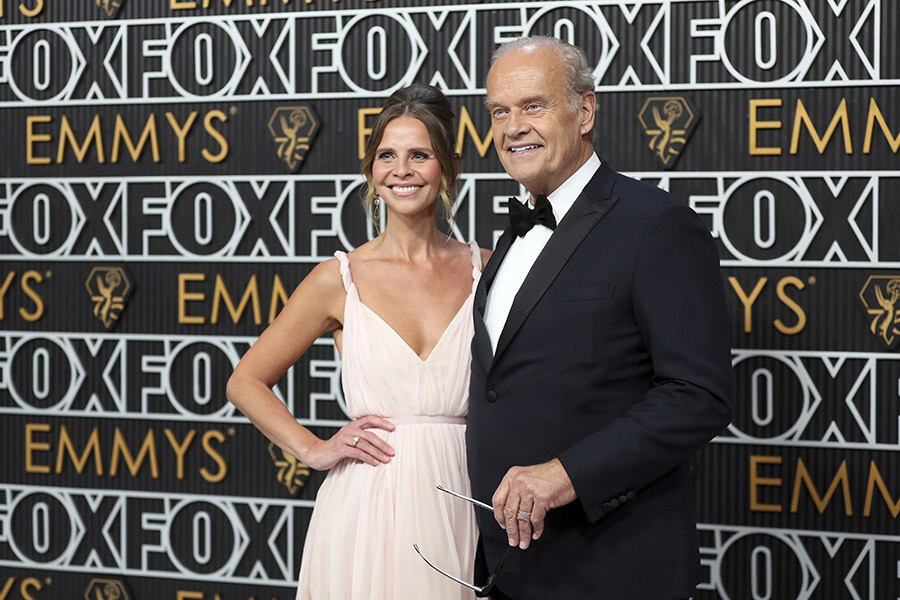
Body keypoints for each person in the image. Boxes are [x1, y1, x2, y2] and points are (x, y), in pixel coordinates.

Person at [465, 37, 733, 599]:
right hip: (507, 566)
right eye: (499, 111)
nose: (513, 127)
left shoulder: (656, 224)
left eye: (533, 106)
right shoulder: (510, 238)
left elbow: (697, 395)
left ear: (584, 111)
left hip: (611, 567)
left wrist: (566, 474)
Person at [226, 83, 489, 600]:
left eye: (420, 155)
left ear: (450, 166)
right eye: (387, 155)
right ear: (371, 169)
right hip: (369, 506)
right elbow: (245, 381)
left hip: (464, 497)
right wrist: (313, 449)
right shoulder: (338, 278)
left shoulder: (487, 269)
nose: (402, 170)